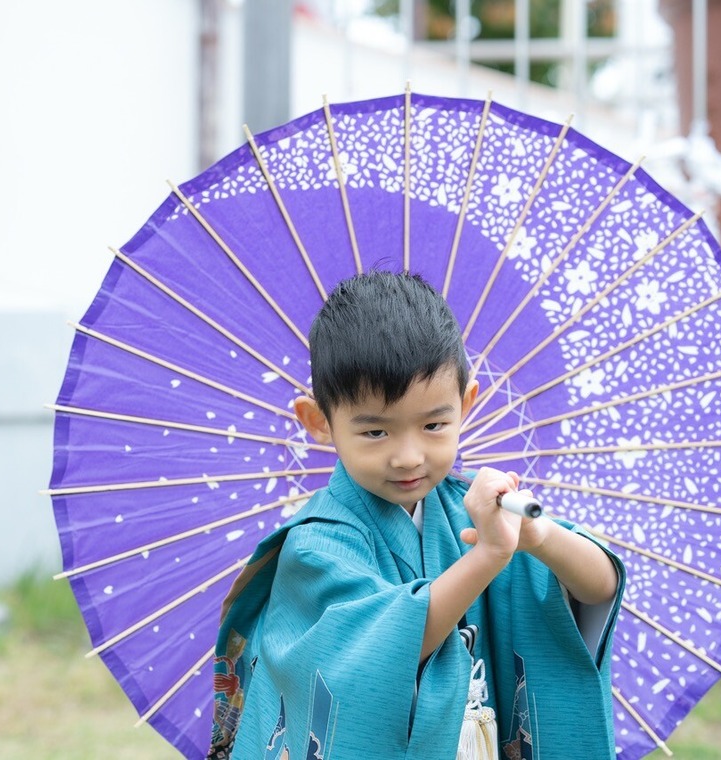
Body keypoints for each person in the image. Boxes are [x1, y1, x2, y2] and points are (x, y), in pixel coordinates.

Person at [207, 270, 625, 759]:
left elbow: (598, 590)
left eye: (433, 424)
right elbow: (382, 653)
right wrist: (488, 555)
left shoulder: (474, 511)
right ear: (318, 421)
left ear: (466, 404)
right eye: (375, 432)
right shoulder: (317, 545)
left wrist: (540, 537)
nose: (408, 456)